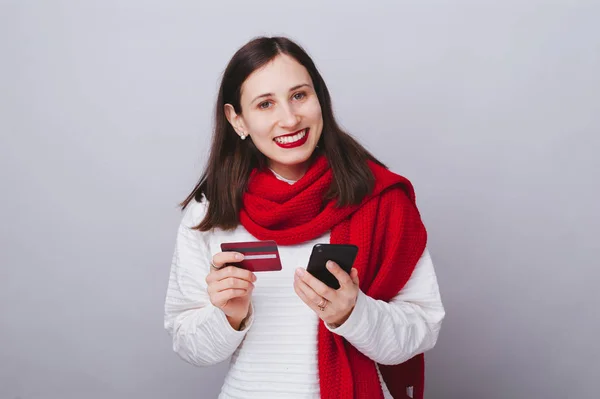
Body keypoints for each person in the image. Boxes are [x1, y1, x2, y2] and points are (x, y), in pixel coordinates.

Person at [164, 36, 445, 399]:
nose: (289, 118)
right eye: (265, 104)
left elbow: (422, 329)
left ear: (320, 100)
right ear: (238, 119)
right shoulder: (209, 212)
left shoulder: (380, 199)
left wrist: (352, 313)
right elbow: (189, 347)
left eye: (299, 95)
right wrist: (229, 317)